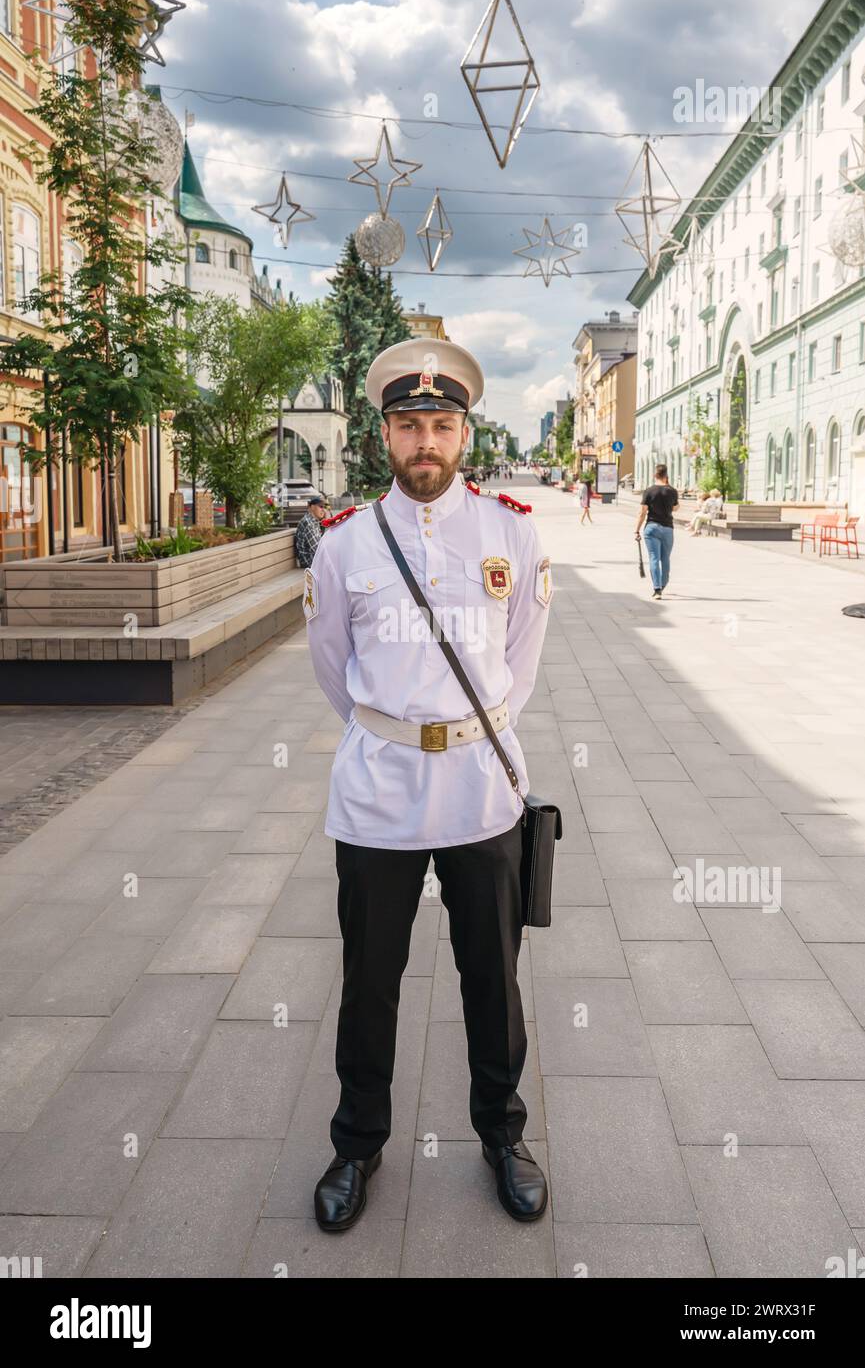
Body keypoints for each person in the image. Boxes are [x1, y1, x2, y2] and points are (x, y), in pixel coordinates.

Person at [304, 337, 553, 1231]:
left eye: (440, 424)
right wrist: (397, 728)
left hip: (481, 790)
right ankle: (356, 1142)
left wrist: (465, 733)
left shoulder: (512, 532)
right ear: (383, 436)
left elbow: (518, 662)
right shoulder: (343, 544)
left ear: (464, 433)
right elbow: (332, 666)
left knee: (493, 977)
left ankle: (502, 1135)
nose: (425, 442)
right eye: (408, 425)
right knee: (370, 980)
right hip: (376, 790)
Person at [635, 463, 679, 598]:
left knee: (654, 558)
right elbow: (676, 508)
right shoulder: (672, 491)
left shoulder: (649, 491)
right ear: (666, 476)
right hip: (667, 529)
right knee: (665, 559)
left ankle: (657, 589)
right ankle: (663, 583)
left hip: (651, 528)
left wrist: (636, 530)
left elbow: (642, 512)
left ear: (655, 475)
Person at [293, 494, 329, 568]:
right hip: (310, 562)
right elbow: (317, 549)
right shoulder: (308, 523)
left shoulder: (314, 521)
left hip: (314, 560)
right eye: (321, 507)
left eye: (324, 507)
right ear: (312, 507)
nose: (323, 510)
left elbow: (321, 545)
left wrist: (324, 523)